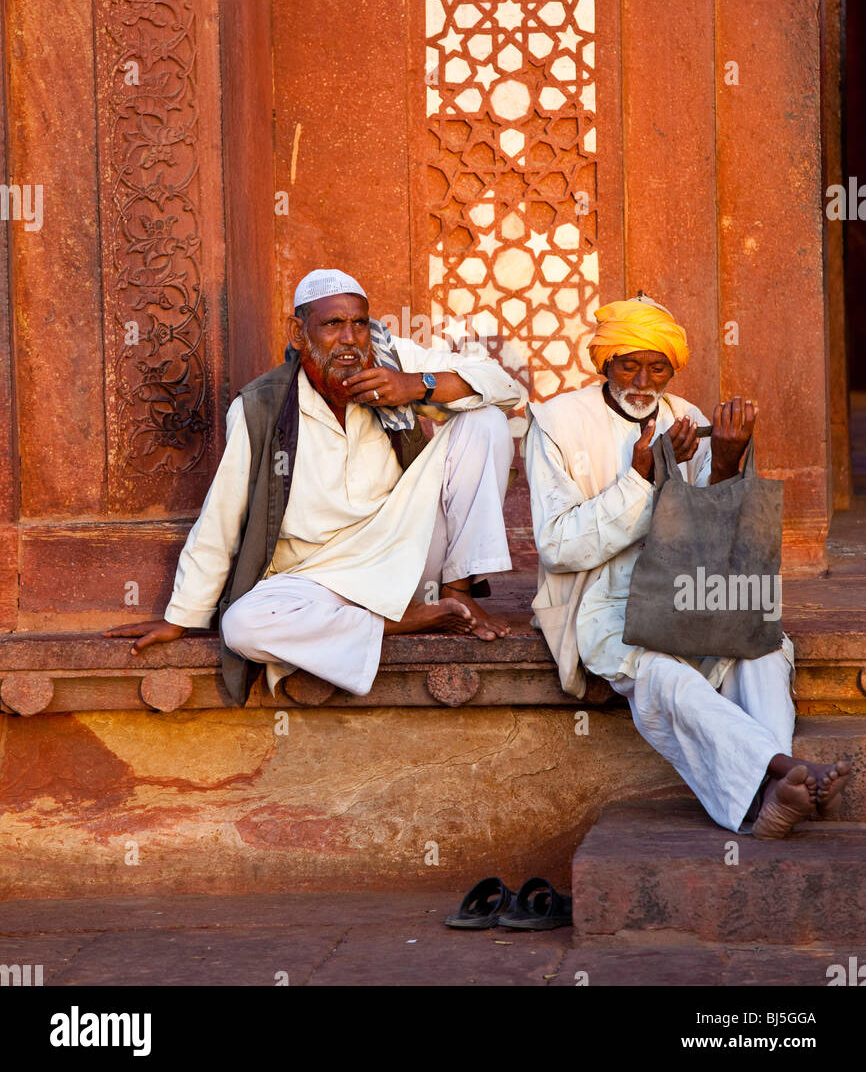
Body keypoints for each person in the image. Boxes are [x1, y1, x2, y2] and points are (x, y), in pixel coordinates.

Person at [106, 268, 520, 704]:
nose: (350, 339)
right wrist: (182, 615)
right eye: (332, 324)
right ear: (299, 333)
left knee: (485, 419)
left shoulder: (392, 361)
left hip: (407, 551)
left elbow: (505, 388)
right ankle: (409, 621)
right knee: (243, 625)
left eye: (359, 323)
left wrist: (417, 386)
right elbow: (223, 518)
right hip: (319, 576)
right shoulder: (261, 407)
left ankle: (457, 594)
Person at [523, 293, 850, 839]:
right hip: (600, 601)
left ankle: (773, 797)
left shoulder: (688, 419)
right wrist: (641, 479)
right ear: (603, 362)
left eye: (659, 367)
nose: (643, 380)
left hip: (687, 591)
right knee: (666, 678)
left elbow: (713, 538)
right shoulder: (557, 422)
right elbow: (559, 547)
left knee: (762, 649)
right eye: (629, 364)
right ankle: (784, 771)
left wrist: (724, 460)